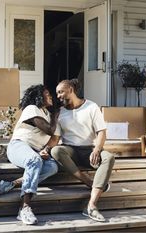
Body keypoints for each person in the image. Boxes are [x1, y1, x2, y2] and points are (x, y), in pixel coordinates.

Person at [46, 79, 115, 222]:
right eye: (57, 93)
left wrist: (97, 150)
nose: (58, 96)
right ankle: (88, 182)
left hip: (88, 150)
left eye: (61, 92)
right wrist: (45, 149)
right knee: (56, 151)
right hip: (70, 151)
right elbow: (56, 139)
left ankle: (91, 205)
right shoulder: (61, 113)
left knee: (109, 157)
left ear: (71, 90)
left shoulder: (91, 106)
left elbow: (102, 132)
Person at [0, 84, 59, 225]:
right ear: (38, 97)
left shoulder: (48, 115)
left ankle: (13, 183)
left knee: (52, 167)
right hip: (18, 146)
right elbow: (49, 130)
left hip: (36, 151)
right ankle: (24, 207)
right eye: (47, 93)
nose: (50, 96)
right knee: (34, 160)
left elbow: (55, 139)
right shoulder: (32, 109)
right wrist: (56, 115)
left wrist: (46, 150)